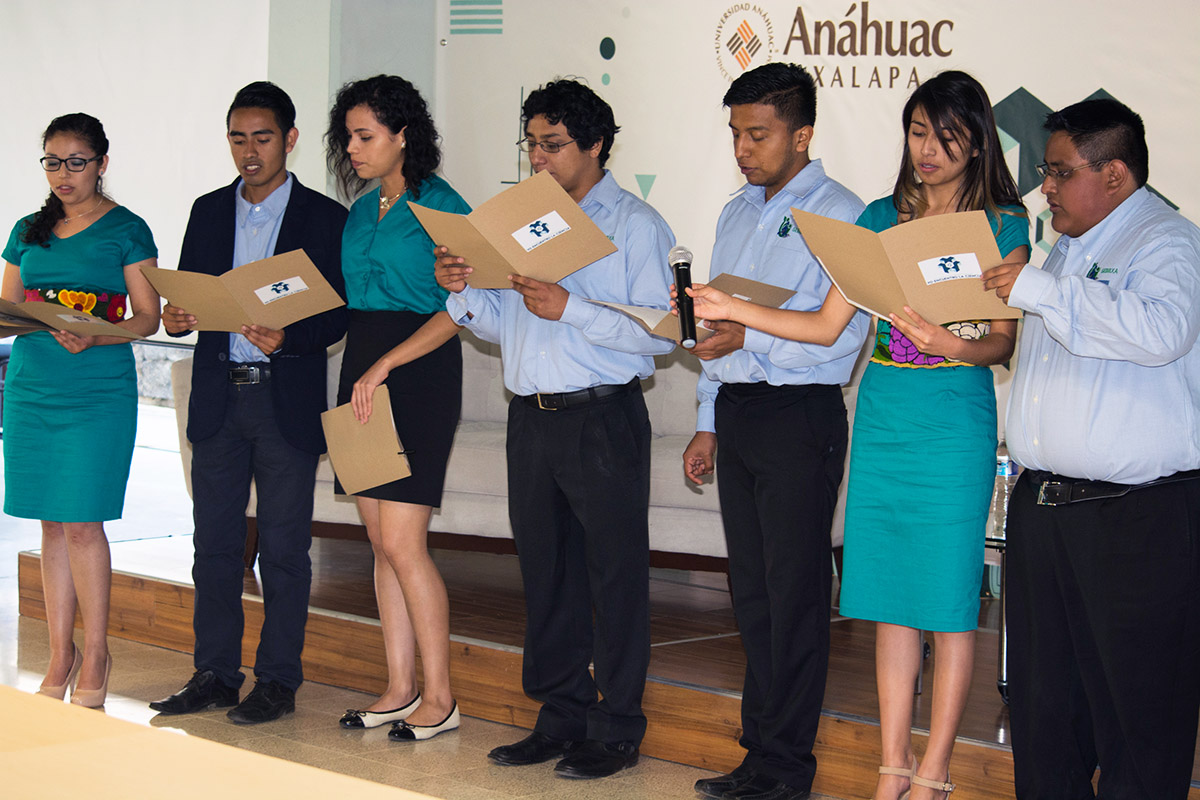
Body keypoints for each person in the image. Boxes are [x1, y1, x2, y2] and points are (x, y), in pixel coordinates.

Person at [688, 70, 1027, 800]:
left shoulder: (1005, 223)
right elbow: (822, 325)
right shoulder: (877, 217)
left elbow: (1002, 344)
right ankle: (891, 766)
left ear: (977, 141)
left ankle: (934, 770)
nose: (929, 149)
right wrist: (733, 311)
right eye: (917, 133)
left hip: (954, 418)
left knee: (945, 602)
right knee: (887, 599)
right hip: (885, 416)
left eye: (947, 135)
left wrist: (950, 342)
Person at [435, 78, 675, 777]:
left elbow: (658, 340)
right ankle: (560, 713)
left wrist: (571, 307)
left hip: (601, 415)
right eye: (530, 144)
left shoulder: (634, 226)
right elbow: (498, 321)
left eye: (553, 145)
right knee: (547, 576)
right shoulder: (514, 220)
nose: (537, 158)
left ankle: (617, 725)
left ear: (594, 145)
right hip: (530, 419)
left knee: (614, 577)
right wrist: (464, 290)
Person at [982, 99, 1200, 800]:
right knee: (1045, 715)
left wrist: (1043, 289)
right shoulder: (1068, 247)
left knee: (1138, 718)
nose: (1045, 186)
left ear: (1115, 175)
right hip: (1046, 509)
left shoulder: (1167, 243)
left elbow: (1162, 331)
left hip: (1131, 520)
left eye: (1059, 171)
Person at [679, 62, 869, 800]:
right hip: (739, 413)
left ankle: (789, 767)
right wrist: (704, 419)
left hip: (800, 417)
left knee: (792, 596)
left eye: (758, 134)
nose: (743, 148)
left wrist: (746, 341)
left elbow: (836, 340)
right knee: (752, 593)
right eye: (734, 133)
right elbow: (714, 328)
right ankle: (758, 753)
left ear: (804, 133)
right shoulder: (736, 212)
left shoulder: (843, 214)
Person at [150, 82, 348, 724]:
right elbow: (189, 302)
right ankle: (214, 673)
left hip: (281, 398)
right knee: (214, 546)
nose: (250, 152)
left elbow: (337, 317)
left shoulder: (324, 218)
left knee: (285, 550)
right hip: (217, 398)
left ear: (289, 139)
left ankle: (277, 681)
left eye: (263, 138)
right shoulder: (208, 211)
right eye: (238, 139)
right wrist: (178, 318)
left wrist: (289, 335)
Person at [323, 74, 468, 742]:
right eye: (348, 136)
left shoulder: (441, 205)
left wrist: (386, 364)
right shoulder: (357, 212)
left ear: (403, 135)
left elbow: (458, 311)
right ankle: (398, 685)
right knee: (379, 541)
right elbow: (351, 304)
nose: (352, 148)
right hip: (362, 370)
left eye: (366, 136)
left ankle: (441, 696)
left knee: (406, 542)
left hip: (417, 372)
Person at [2, 113, 161, 708]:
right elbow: (9, 304)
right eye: (51, 162)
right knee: (49, 522)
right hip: (31, 385)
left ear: (102, 163)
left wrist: (97, 334)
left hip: (96, 387)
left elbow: (147, 316)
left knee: (83, 523)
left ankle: (96, 651)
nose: (62, 174)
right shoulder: (27, 228)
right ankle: (59, 653)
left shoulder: (127, 228)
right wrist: (24, 317)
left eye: (75, 162)